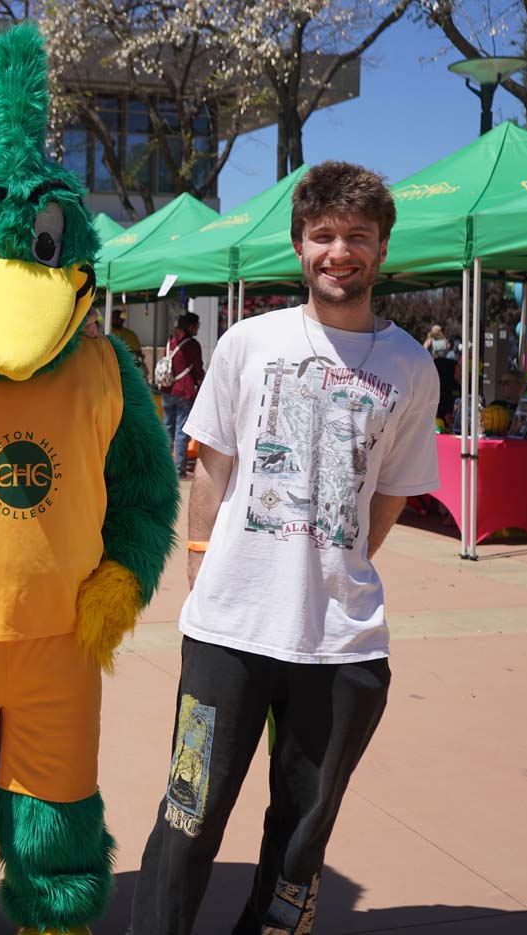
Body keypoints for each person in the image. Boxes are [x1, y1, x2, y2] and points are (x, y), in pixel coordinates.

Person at [129, 161, 439, 935]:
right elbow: (212, 464)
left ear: (381, 248)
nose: (341, 251)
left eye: (358, 237)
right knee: (188, 810)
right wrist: (203, 572)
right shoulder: (248, 342)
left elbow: (394, 489)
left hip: (343, 643)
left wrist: (339, 561)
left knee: (301, 831)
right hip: (227, 632)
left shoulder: (410, 365)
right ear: (300, 246)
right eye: (325, 235)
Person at [160, 311, 204, 477]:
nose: (198, 328)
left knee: (167, 428)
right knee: (181, 431)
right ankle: (179, 468)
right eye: (197, 325)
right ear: (191, 326)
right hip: (184, 391)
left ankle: (163, 466)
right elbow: (198, 370)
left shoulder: (170, 343)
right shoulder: (192, 345)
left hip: (167, 390)